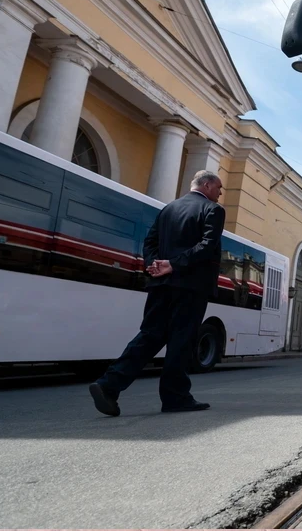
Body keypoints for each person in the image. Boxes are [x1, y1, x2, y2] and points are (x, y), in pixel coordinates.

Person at [89, 170, 226, 416]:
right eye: (218, 188)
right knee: (181, 340)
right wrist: (173, 264)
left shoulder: (168, 209)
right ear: (206, 185)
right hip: (190, 286)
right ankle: (176, 397)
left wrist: (155, 265)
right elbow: (207, 246)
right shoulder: (213, 210)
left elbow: (149, 242)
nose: (220, 193)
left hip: (160, 285)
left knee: (150, 335)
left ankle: (108, 385)